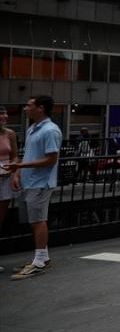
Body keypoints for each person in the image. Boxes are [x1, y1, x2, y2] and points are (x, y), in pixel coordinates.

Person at [6, 95, 62, 280]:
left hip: (41, 183)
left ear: (41, 108)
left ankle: (38, 262)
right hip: (29, 181)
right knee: (34, 220)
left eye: (29, 105)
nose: (25, 108)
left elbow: (51, 160)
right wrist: (18, 174)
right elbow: (29, 155)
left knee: (39, 220)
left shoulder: (50, 131)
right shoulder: (32, 129)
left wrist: (20, 168)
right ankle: (42, 258)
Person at [0, 109, 17, 270]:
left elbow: (15, 157)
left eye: (5, 113)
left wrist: (14, 171)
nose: (4, 116)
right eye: (0, 113)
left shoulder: (10, 134)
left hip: (4, 178)